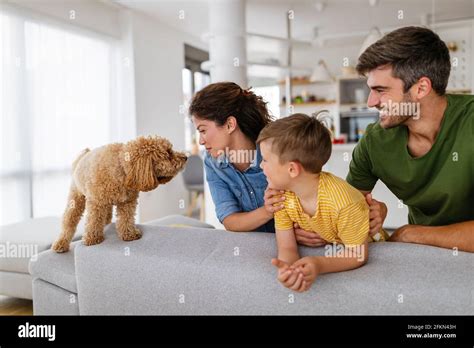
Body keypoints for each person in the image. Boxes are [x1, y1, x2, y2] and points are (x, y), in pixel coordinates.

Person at [347, 26, 474, 252]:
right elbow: (343, 208)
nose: (370, 102)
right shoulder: (374, 142)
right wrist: (374, 213)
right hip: (420, 259)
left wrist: (411, 233)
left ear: (421, 88)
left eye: (381, 90)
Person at [257, 113, 387, 292]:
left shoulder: (343, 202)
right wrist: (290, 270)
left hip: (374, 244)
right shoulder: (281, 197)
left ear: (292, 169)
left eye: (265, 160)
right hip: (335, 245)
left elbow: (357, 254)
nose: (261, 166)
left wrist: (318, 263)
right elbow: (287, 246)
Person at [189, 82, 280, 232]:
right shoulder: (212, 163)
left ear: (230, 125)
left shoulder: (277, 151)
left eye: (203, 130)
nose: (201, 141)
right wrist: (268, 211)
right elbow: (230, 220)